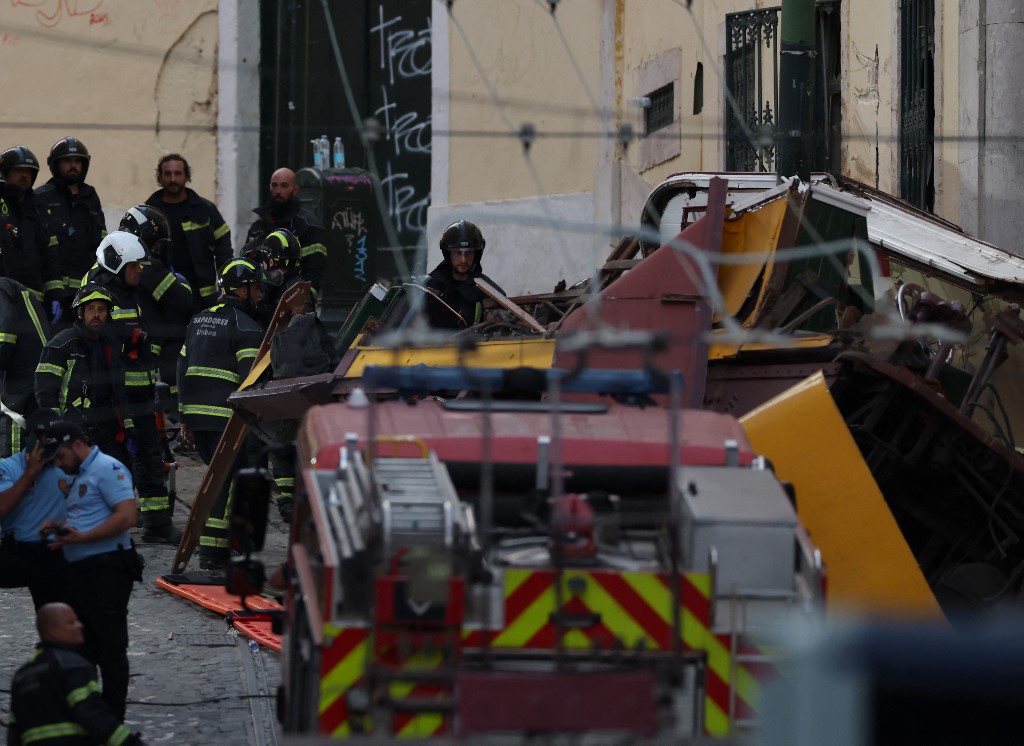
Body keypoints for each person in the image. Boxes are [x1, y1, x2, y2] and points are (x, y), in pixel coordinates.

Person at [38, 420, 141, 723]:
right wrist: (60, 528)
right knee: (83, 648)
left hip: (107, 570)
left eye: (60, 457)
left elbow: (126, 517)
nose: (58, 464)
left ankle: (112, 720)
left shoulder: (108, 469)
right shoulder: (78, 472)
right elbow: (87, 514)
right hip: (79, 571)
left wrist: (82, 538)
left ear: (77, 445)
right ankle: (89, 716)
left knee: (110, 651)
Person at [86, 232, 180, 544]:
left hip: (141, 397)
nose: (140, 271)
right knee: (116, 461)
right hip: (114, 400)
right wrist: (132, 337)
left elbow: (143, 339)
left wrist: (145, 345)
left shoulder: (131, 295)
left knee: (151, 457)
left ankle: (157, 526)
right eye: (134, 266)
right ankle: (113, 526)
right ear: (116, 265)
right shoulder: (99, 299)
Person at [177, 259, 266, 569]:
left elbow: (182, 367)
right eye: (255, 287)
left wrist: (184, 415)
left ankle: (210, 549)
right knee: (228, 482)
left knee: (215, 479)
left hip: (197, 418)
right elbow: (249, 381)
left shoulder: (197, 320)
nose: (258, 294)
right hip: (226, 419)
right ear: (241, 289)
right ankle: (214, 553)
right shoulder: (248, 328)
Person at [7, 602, 143, 745]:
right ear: (52, 630)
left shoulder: (22, 675)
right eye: (71, 622)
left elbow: (15, 731)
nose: (80, 625)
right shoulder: (74, 665)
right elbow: (93, 714)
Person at [35, 283, 134, 469]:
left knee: (117, 481)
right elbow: (45, 393)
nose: (96, 314)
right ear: (79, 313)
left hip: (108, 430)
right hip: (74, 430)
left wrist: (128, 427)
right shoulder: (60, 345)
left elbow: (119, 390)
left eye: (102, 309)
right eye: (90, 309)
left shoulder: (110, 345)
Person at [118, 205, 194, 402]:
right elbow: (183, 301)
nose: (158, 248)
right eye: (155, 243)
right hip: (148, 354)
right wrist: (182, 283)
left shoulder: (108, 260)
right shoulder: (145, 265)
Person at [34, 137, 106, 331]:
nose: (73, 166)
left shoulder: (90, 197)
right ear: (56, 165)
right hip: (52, 294)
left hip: (85, 295)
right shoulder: (41, 197)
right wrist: (53, 293)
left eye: (77, 161)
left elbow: (100, 244)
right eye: (67, 161)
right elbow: (42, 250)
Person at [145, 154, 231, 314]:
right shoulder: (149, 211)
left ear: (187, 177)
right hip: (162, 296)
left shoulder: (205, 209)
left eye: (177, 173)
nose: (172, 179)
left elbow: (223, 248)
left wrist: (226, 283)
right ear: (159, 178)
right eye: (167, 174)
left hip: (202, 296)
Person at [0, 410, 67, 608]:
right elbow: (2, 507)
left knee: (57, 620)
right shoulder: (8, 468)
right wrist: (30, 474)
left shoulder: (68, 468)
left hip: (55, 553)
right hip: (17, 553)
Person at [245, 167, 326, 297]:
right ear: (270, 188)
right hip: (259, 299)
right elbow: (248, 264)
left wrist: (304, 299)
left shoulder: (308, 226)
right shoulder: (257, 228)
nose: (278, 191)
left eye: (284, 186)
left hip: (291, 298)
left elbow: (314, 270)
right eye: (275, 185)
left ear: (296, 190)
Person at [0, 277, 50, 457]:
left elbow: (4, 335)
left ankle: (9, 479)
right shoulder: (15, 288)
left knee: (11, 421)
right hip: (36, 373)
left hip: (20, 379)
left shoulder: (1, 288)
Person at [423, 219, 504, 329]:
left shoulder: (488, 290)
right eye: (458, 252)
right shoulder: (428, 286)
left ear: (476, 254)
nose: (464, 260)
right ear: (448, 253)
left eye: (469, 253)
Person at [0, 145, 48, 297]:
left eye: (27, 171)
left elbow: (49, 253)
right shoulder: (2, 205)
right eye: (17, 170)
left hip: (34, 295)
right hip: (5, 291)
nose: (23, 176)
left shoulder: (39, 208)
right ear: (5, 173)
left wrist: (55, 293)